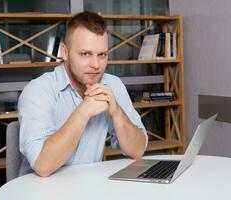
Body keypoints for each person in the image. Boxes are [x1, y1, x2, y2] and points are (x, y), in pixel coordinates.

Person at [18, 11, 148, 177]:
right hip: (41, 191)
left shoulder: (112, 85)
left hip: (88, 188)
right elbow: (43, 166)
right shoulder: (38, 91)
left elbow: (137, 150)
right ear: (65, 52)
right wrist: (83, 112)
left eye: (102, 55)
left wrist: (116, 112)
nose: (95, 65)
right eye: (85, 54)